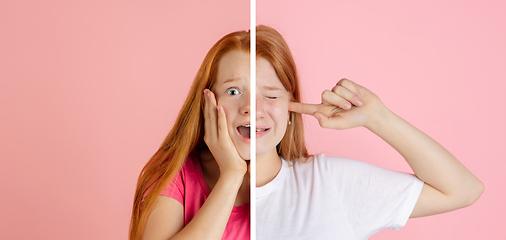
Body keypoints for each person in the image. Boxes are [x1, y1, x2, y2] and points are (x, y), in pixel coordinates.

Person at [253, 25, 484, 239]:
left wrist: (377, 117)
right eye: (233, 92)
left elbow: (462, 191)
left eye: (271, 95)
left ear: (290, 108)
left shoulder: (326, 184)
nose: (253, 110)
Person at [129, 29, 253, 240]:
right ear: (207, 102)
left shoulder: (305, 182)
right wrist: (231, 175)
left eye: (268, 94)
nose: (250, 107)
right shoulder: (174, 173)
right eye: (233, 91)